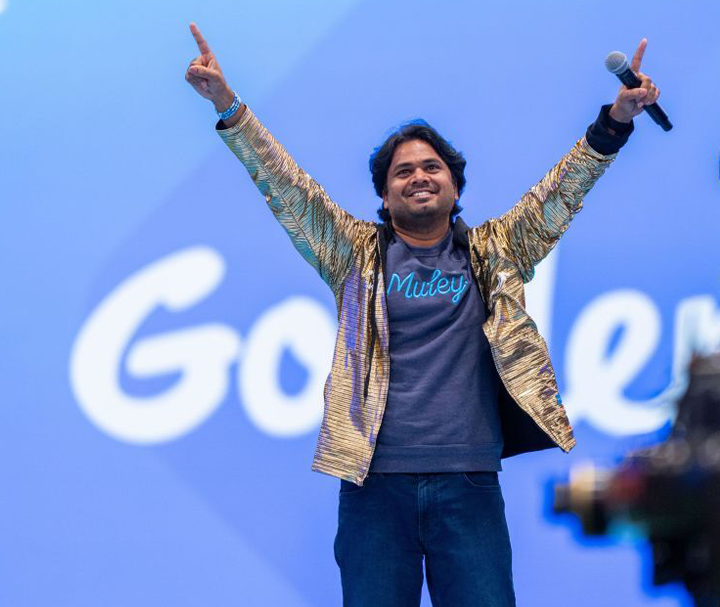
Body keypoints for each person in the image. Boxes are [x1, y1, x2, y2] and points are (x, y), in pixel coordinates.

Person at [185, 23, 660, 607]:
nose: (419, 176)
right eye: (403, 171)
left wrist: (616, 121)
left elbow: (561, 192)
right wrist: (227, 104)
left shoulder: (495, 250)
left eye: (432, 167)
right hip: (373, 488)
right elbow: (286, 186)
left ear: (455, 187)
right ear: (384, 197)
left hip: (469, 483)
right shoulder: (353, 253)